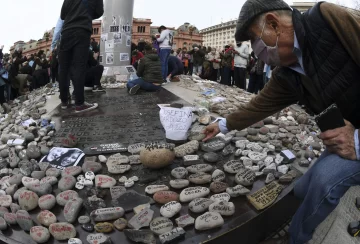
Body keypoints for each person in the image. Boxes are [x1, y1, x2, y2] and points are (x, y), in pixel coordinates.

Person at [203, 1, 360, 244]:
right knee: (300, 189)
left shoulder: (329, 20)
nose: (256, 52)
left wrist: (357, 141)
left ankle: (296, 238)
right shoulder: (287, 72)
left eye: (255, 40)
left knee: (323, 181)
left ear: (274, 25)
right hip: (345, 136)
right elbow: (259, 106)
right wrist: (222, 124)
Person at [58, 0, 103, 113]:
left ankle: (64, 101)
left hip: (66, 32)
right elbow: (99, 12)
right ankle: (79, 103)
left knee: (64, 68)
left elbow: (63, 15)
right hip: (82, 30)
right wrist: (86, 14)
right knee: (79, 67)